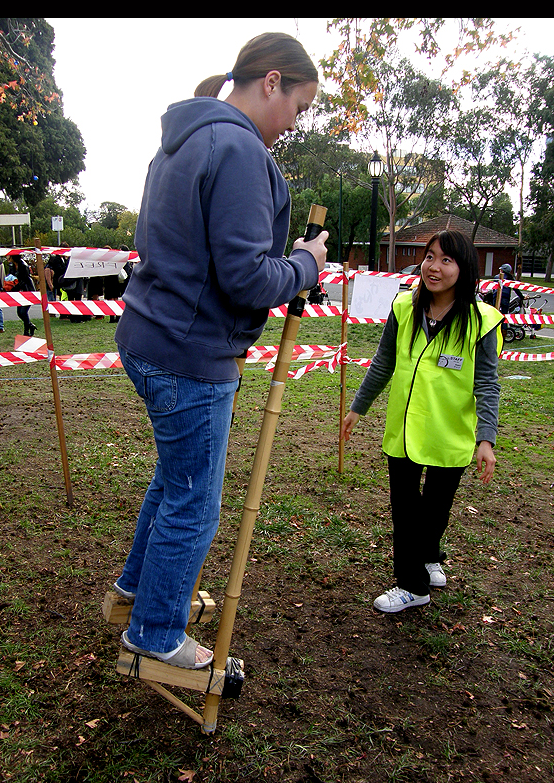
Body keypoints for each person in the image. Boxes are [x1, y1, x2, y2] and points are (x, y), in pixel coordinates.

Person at [113, 32, 327, 669]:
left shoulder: (184, 136)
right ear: (271, 81)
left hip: (149, 337)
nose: (295, 122)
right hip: (190, 354)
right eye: (299, 105)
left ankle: (135, 588)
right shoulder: (235, 146)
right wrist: (306, 264)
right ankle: (154, 633)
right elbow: (247, 276)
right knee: (196, 501)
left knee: (174, 481)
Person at [340, 230, 503, 613]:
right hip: (405, 431)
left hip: (450, 433)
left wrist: (486, 439)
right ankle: (412, 585)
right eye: (430, 257)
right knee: (406, 510)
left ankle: (429, 556)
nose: (434, 266)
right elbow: (383, 363)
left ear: (464, 269)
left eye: (447, 260)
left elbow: (487, 384)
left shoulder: (481, 321)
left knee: (435, 509)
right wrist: (357, 408)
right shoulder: (403, 308)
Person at [9, 253, 37, 336]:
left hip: (28, 291)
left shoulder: (23, 265)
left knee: (23, 312)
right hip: (21, 292)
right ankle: (30, 326)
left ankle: (27, 330)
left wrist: (14, 289)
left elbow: (24, 280)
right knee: (19, 312)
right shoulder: (14, 266)